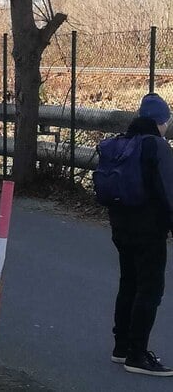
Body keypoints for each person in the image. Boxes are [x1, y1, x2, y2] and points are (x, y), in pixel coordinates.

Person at [109, 93, 173, 376]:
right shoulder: (157, 147)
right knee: (150, 290)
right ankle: (137, 354)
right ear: (162, 120)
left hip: (122, 228)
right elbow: (168, 192)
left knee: (129, 284)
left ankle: (121, 347)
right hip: (150, 231)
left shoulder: (123, 142)